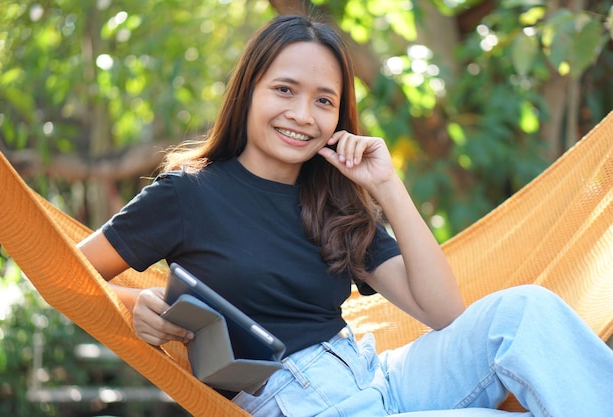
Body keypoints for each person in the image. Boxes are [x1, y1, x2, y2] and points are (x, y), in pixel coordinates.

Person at [78, 14, 613, 417]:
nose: (302, 115)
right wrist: (137, 305)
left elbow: (446, 313)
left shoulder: (333, 202)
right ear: (247, 93)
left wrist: (387, 186)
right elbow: (60, 274)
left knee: (525, 310)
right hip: (302, 403)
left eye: (324, 101)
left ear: (339, 115)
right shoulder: (187, 195)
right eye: (284, 90)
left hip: (380, 375)